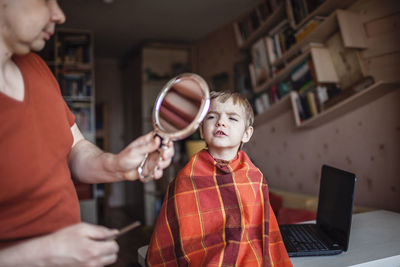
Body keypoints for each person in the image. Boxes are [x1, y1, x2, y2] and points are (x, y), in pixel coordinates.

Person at [0, 0, 174, 266]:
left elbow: (75, 147)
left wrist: (116, 165)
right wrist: (40, 255)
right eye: (46, 0)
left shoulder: (36, 67)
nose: (59, 15)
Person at [147, 91, 292, 266]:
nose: (221, 122)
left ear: (246, 133)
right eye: (212, 117)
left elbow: (260, 232)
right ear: (201, 130)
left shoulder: (255, 177)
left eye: (232, 118)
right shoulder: (187, 177)